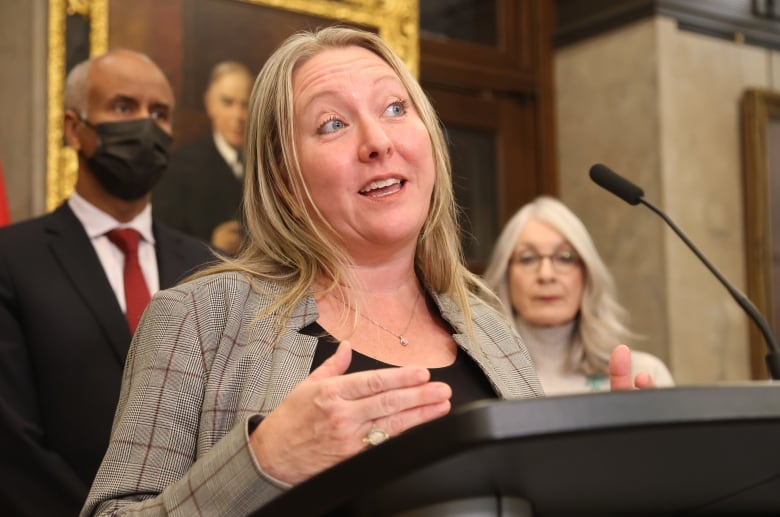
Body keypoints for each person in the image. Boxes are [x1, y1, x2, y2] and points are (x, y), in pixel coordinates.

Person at [82, 28, 652, 516]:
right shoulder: (202, 318)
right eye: (332, 124)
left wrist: (605, 478)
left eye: (395, 108)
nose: (378, 141)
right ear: (283, 177)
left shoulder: (489, 328)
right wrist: (261, 464)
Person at [0, 49, 215, 516]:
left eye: (160, 113)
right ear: (75, 129)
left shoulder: (209, 266)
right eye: (123, 108)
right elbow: (11, 440)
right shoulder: (12, 258)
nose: (145, 126)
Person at [483, 196, 674, 395]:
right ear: (504, 275)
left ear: (588, 275)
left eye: (564, 258)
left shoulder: (642, 374)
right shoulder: (479, 379)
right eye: (528, 258)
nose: (546, 275)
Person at [153, 60, 253, 254]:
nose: (238, 116)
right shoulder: (179, 166)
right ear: (209, 104)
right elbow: (163, 242)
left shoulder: (269, 163)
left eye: (246, 104)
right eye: (227, 103)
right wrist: (209, 245)